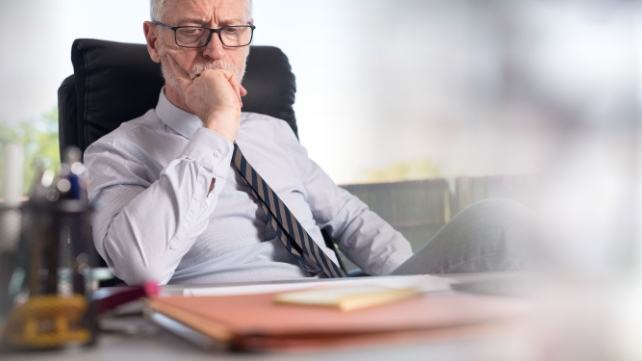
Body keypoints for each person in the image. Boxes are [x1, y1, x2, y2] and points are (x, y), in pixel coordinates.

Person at [85, 0, 532, 285]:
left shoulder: (272, 133)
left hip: (334, 301)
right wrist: (217, 126)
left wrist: (406, 286)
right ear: (154, 40)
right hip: (234, 321)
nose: (216, 51)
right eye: (191, 31)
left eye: (233, 30)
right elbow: (142, 266)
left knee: (499, 221)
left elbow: (350, 219)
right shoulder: (114, 153)